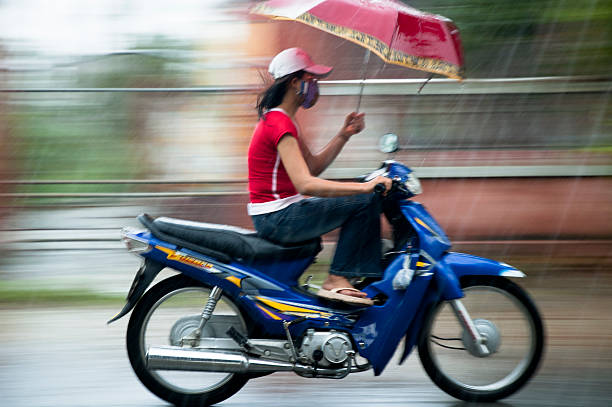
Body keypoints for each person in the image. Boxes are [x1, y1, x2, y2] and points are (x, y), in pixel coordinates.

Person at [247, 48, 392, 305]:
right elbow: (306, 184)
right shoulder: (280, 123)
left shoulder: (283, 120)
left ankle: (355, 273)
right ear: (295, 82)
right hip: (278, 218)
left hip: (279, 214)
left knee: (363, 192)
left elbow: (312, 168)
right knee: (365, 199)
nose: (315, 85)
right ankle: (338, 278)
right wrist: (364, 189)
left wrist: (343, 135)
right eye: (311, 79)